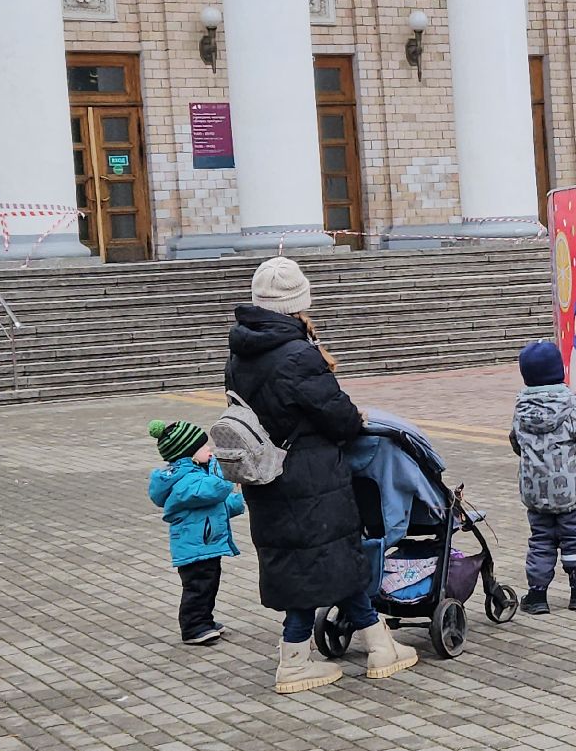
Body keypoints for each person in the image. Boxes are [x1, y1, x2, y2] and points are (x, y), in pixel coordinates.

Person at [226, 256, 417, 693]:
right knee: (316, 562)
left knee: (327, 559)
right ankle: (294, 661)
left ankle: (379, 645)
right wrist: (354, 418)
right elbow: (339, 418)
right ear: (298, 303)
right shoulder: (297, 356)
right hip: (310, 477)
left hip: (268, 474)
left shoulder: (240, 354)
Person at [510, 340, 576, 614]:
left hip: (535, 491)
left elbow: (516, 441)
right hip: (570, 488)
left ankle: (537, 595)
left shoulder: (522, 408)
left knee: (540, 539)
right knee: (575, 536)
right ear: (559, 370)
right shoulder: (571, 405)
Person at [147, 419, 244, 646]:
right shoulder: (186, 481)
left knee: (208, 585)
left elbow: (215, 507)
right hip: (194, 548)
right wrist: (224, 471)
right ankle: (193, 627)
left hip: (205, 544)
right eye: (203, 447)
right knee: (198, 587)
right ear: (188, 455)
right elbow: (213, 490)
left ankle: (205, 621)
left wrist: (238, 501)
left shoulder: (197, 475)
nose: (209, 449)